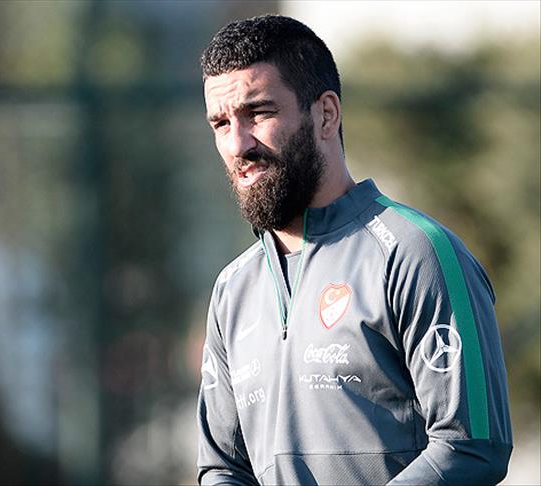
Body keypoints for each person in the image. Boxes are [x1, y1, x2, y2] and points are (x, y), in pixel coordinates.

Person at [196, 14, 513, 485]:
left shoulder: (416, 254)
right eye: (221, 124)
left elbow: (470, 447)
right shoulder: (232, 289)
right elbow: (224, 468)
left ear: (326, 114)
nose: (237, 144)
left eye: (258, 113)